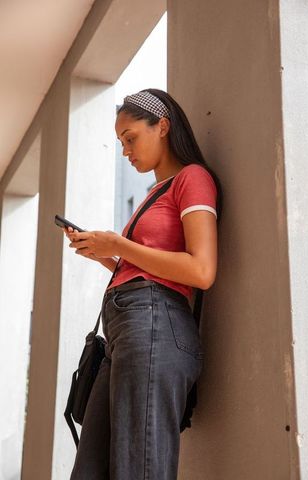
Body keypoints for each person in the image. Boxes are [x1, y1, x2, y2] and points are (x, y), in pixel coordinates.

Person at [65, 88, 222, 480]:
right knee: (89, 470)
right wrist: (108, 258)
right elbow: (148, 266)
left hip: (153, 324)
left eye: (131, 137)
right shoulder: (155, 192)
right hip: (127, 331)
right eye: (121, 142)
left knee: (140, 465)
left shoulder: (193, 179)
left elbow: (202, 270)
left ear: (163, 126)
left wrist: (119, 244)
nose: (126, 151)